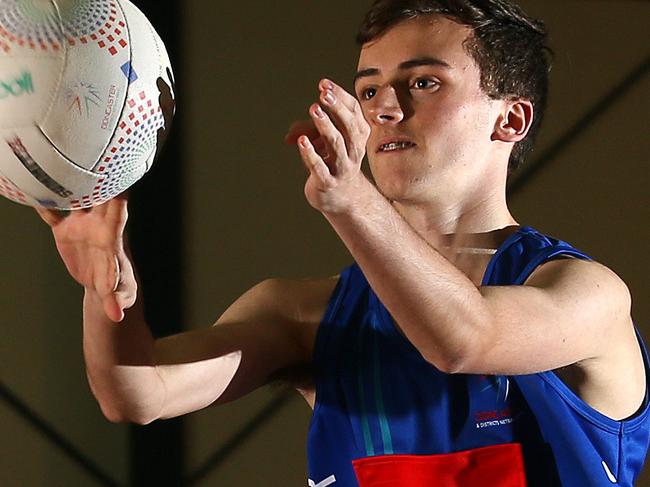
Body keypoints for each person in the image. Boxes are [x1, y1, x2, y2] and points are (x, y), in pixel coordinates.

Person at [38, 0, 649, 485]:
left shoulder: (585, 293)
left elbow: (465, 339)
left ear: (509, 120)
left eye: (425, 83)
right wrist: (104, 290)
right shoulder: (302, 313)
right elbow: (138, 393)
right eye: (369, 88)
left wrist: (350, 200)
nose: (385, 106)